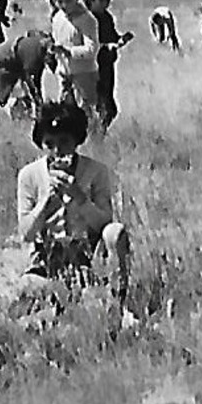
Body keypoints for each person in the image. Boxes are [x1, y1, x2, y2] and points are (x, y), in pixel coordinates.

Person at [13, 101, 130, 312]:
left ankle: (116, 294)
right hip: (48, 257)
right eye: (50, 144)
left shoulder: (96, 171)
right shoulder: (29, 175)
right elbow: (26, 234)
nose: (58, 151)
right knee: (26, 291)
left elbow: (105, 222)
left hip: (87, 252)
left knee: (116, 232)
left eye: (64, 142)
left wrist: (80, 198)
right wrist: (45, 205)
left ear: (76, 141)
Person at [49, 0, 107, 135]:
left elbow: (92, 49)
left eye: (67, 1)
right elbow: (56, 41)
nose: (63, 6)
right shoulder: (57, 18)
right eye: (59, 1)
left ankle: (95, 143)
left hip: (84, 74)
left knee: (86, 113)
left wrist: (68, 51)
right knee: (65, 114)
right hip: (64, 74)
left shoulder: (87, 19)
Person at [85, 0, 132, 130]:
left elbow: (112, 36)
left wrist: (121, 40)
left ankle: (99, 134)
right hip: (91, 68)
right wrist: (106, 46)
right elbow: (86, 44)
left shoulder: (107, 18)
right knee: (97, 106)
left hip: (107, 65)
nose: (105, 3)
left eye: (107, 0)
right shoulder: (87, 19)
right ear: (91, 0)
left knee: (109, 109)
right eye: (101, 0)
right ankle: (92, 134)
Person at [0, 29, 57, 120]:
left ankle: (29, 109)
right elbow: (31, 82)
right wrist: (38, 102)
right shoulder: (33, 57)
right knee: (5, 97)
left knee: (26, 93)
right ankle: (13, 114)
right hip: (0, 64)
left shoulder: (41, 47)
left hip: (15, 62)